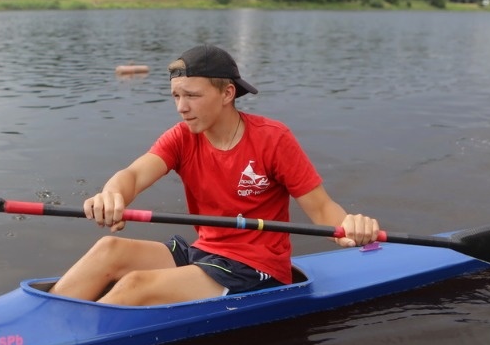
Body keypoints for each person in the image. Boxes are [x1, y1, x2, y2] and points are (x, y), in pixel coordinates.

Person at [50, 44, 379, 305]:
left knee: (137, 285)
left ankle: (59, 344)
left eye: (192, 96)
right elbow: (134, 175)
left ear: (227, 94)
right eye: (177, 96)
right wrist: (112, 195)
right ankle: (44, 320)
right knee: (109, 249)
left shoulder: (273, 139)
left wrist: (348, 228)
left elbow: (322, 209)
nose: (181, 107)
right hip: (207, 252)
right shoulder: (182, 137)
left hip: (256, 268)